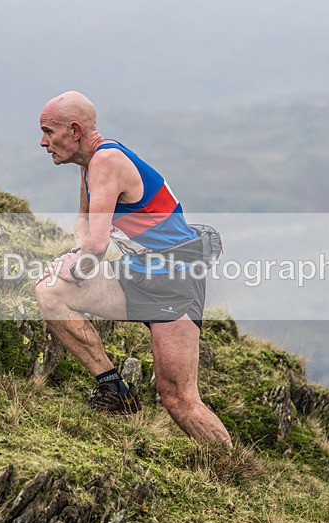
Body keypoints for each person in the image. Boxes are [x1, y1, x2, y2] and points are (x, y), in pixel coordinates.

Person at [35, 91, 231, 445]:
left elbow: (98, 246)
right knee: (51, 292)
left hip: (175, 281)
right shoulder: (89, 164)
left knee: (179, 400)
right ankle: (114, 389)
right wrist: (73, 257)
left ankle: (233, 467)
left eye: (48, 132)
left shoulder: (106, 162)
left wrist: (77, 268)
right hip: (137, 273)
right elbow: (86, 227)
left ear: (74, 130)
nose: (43, 142)